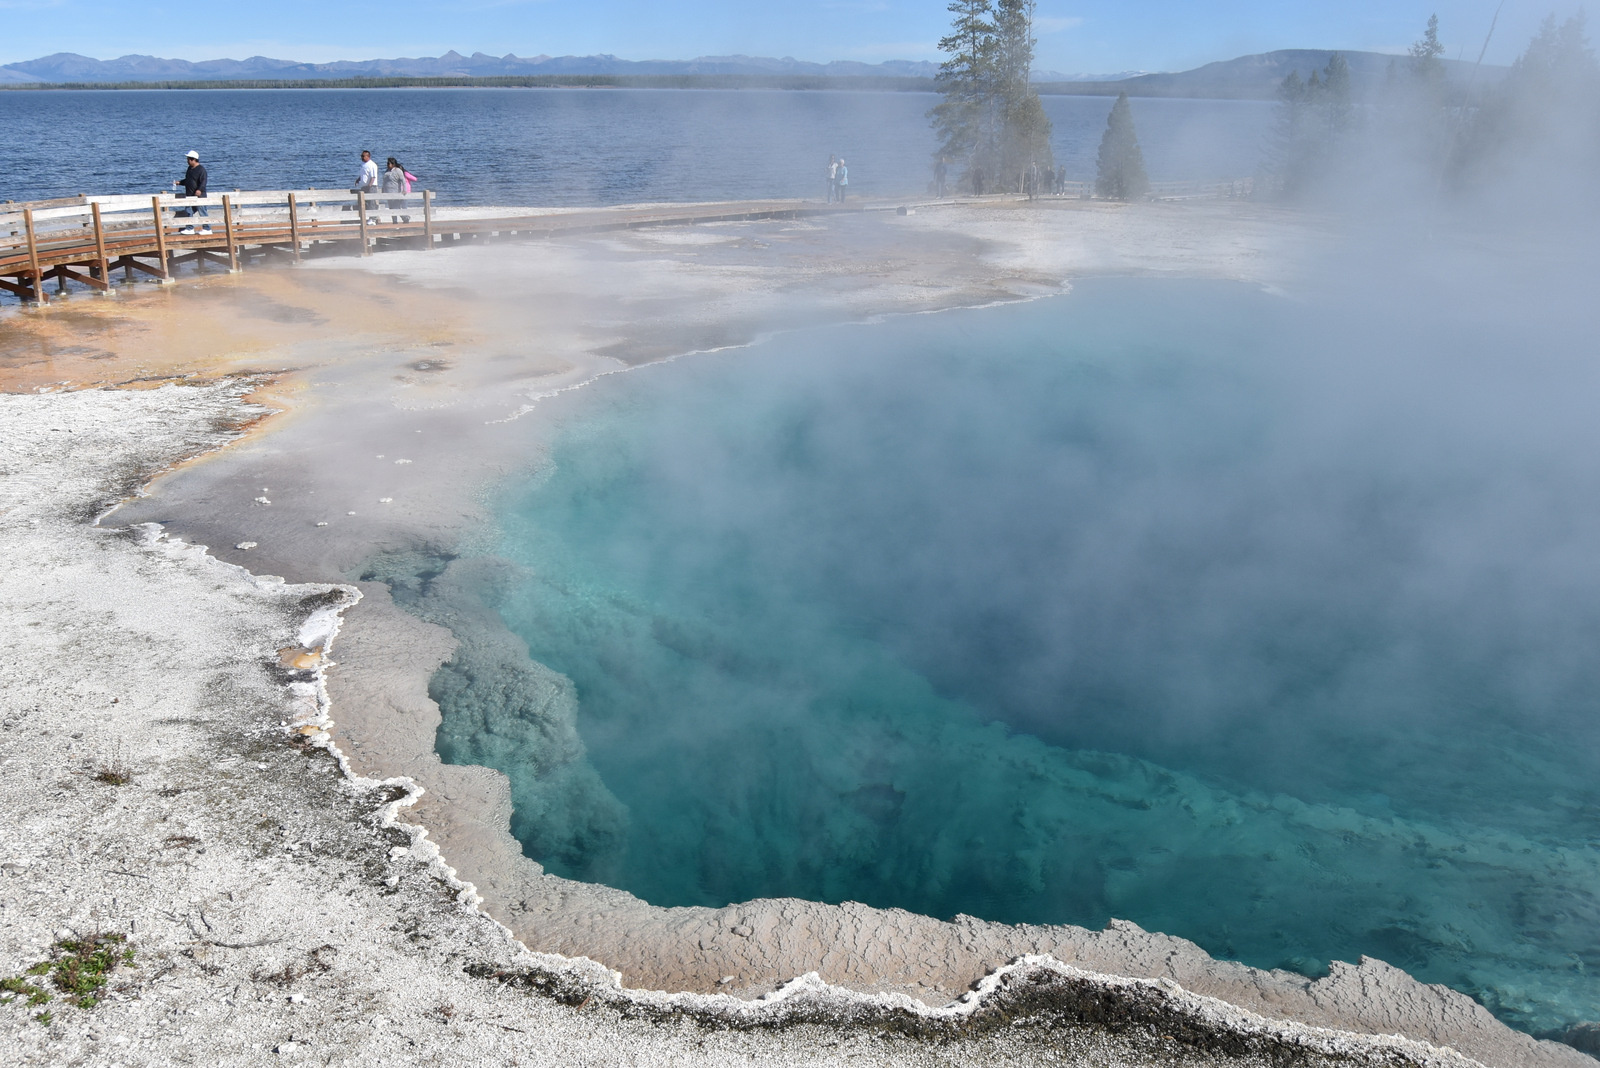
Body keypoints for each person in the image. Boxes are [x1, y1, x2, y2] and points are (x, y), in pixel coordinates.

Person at [172, 150, 210, 235]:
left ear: (193, 159)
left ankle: (207, 228)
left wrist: (199, 190)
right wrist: (180, 183)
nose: (187, 161)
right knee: (188, 211)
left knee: (202, 211)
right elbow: (188, 181)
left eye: (188, 159)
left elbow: (203, 182)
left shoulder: (201, 170)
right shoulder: (189, 169)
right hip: (190, 195)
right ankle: (190, 228)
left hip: (199, 196)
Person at [382, 157, 412, 223]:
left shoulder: (398, 171)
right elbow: (384, 181)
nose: (387, 164)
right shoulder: (387, 171)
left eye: (388, 163)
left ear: (393, 164)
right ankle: (394, 222)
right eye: (387, 163)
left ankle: (405, 218)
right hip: (388, 192)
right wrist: (383, 189)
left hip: (395, 192)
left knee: (396, 208)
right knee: (391, 208)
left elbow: (403, 181)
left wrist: (404, 190)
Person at [353, 149, 380, 219]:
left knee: (372, 202)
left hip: (371, 186)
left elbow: (373, 177)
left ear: (368, 156)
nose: (361, 157)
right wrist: (358, 180)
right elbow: (363, 174)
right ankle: (367, 218)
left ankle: (373, 218)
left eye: (363, 156)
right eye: (361, 156)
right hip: (363, 186)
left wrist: (369, 186)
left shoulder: (372, 165)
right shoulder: (363, 164)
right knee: (364, 202)